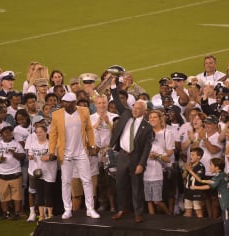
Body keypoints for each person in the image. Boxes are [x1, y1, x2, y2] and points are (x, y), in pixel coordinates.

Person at [48, 92, 100, 220]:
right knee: (65, 182)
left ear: (74, 103)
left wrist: (92, 144)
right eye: (64, 102)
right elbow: (53, 134)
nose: (64, 104)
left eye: (68, 102)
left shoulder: (84, 111)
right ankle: (67, 209)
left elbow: (89, 129)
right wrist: (51, 151)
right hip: (65, 153)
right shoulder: (57, 115)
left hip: (81, 151)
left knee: (87, 180)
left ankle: (90, 209)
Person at [109, 77, 153, 223]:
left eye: (138, 109)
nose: (135, 111)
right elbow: (116, 100)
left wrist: (142, 164)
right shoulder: (126, 113)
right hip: (122, 155)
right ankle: (122, 209)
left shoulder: (147, 127)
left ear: (144, 111)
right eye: (134, 107)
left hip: (135, 158)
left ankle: (138, 212)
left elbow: (147, 148)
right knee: (120, 185)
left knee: (136, 187)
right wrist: (113, 86)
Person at [190, 157, 229, 236]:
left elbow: (208, 186)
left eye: (211, 165)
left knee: (226, 222)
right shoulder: (222, 174)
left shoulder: (219, 176)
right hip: (227, 200)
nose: (209, 167)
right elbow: (211, 181)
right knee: (224, 220)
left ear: (217, 167)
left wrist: (195, 187)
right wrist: (201, 180)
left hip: (226, 202)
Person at [0, 126, 26, 220]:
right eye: (6, 132)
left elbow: (23, 156)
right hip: (2, 174)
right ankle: (5, 213)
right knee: (3, 195)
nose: (8, 134)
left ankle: (17, 212)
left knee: (17, 194)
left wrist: (14, 153)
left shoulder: (17, 144)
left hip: (15, 172)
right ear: (2, 134)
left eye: (10, 132)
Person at [183, 147, 205, 218]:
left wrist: (190, 170)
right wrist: (186, 170)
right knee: (188, 210)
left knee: (198, 211)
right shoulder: (190, 165)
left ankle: (201, 226)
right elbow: (183, 176)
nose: (190, 157)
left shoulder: (201, 167)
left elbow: (199, 179)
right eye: (190, 155)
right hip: (188, 190)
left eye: (193, 155)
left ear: (199, 156)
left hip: (196, 191)